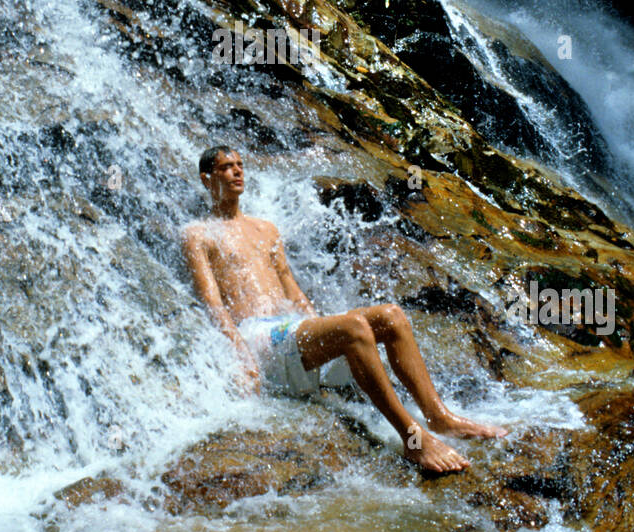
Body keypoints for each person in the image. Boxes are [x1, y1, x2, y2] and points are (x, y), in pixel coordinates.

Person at [182, 146, 508, 475]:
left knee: (391, 316)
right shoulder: (197, 234)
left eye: (240, 164)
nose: (237, 172)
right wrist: (241, 354)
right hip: (258, 335)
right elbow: (212, 302)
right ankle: (413, 439)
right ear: (206, 179)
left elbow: (292, 289)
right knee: (353, 327)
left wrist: (318, 324)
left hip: (292, 329)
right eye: (226, 167)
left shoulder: (266, 229)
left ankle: (439, 416)